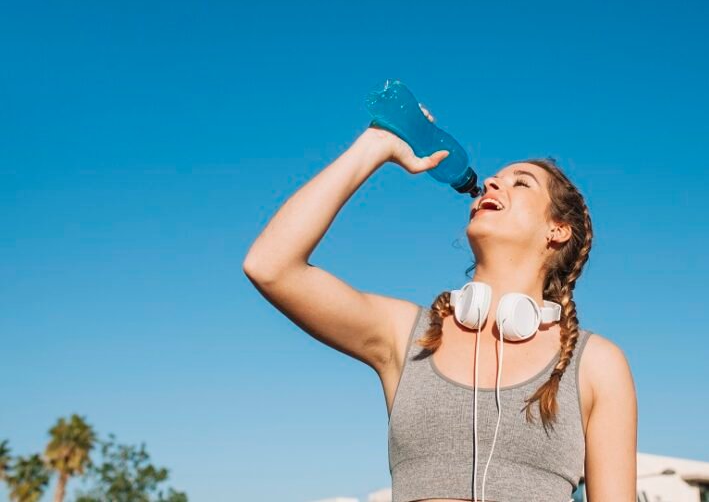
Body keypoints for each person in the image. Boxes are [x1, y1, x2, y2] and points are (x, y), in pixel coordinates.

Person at [242, 104, 637, 501]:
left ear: (558, 229)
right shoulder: (406, 335)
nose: (491, 185)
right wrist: (376, 145)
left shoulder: (596, 364)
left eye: (520, 183)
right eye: (493, 180)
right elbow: (270, 266)